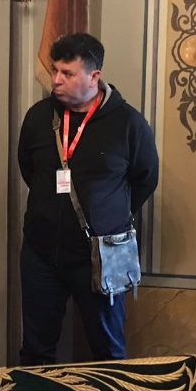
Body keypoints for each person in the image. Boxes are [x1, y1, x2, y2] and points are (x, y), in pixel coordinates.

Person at [16, 33, 159, 366]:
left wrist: (108, 213)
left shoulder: (128, 123)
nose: (56, 80)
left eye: (67, 73)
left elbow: (145, 179)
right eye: (55, 71)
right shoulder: (38, 117)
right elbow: (29, 169)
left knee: (108, 351)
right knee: (35, 350)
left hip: (101, 255)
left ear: (94, 76)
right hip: (41, 254)